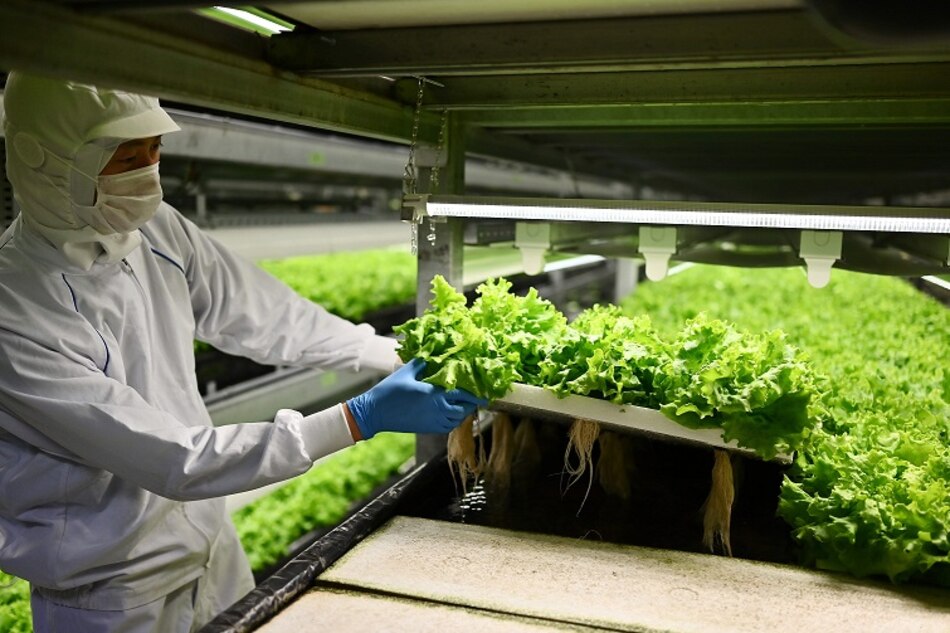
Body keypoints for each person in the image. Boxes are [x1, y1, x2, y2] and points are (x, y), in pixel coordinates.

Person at [0, 71, 485, 633]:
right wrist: (358, 418)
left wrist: (386, 353)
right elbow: (176, 458)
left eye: (155, 150)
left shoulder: (157, 230)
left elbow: (267, 316)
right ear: (48, 160)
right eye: (127, 157)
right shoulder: (15, 308)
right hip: (111, 592)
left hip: (212, 547)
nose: (149, 175)